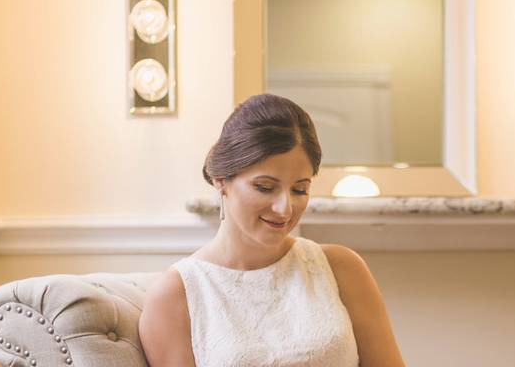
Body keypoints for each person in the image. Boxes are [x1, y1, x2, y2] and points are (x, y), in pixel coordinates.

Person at [139, 94, 405, 366]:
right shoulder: (175, 295)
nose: (285, 208)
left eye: (300, 189)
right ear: (221, 180)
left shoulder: (341, 267)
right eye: (265, 187)